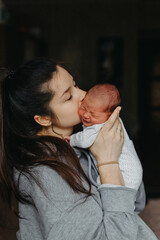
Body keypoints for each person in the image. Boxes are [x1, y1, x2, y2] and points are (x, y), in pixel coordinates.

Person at [0, 58, 158, 240]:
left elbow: (134, 205)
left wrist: (122, 153)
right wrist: (108, 163)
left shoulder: (80, 144)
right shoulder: (45, 171)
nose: (83, 94)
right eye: (68, 96)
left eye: (75, 85)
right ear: (43, 118)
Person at [68, 84, 142, 190]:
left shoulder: (100, 126)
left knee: (104, 188)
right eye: (84, 108)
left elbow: (84, 140)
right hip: (134, 171)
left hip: (125, 173)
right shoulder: (111, 121)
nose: (86, 115)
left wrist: (71, 139)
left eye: (94, 115)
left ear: (110, 115)